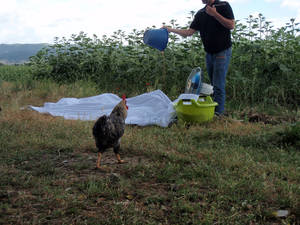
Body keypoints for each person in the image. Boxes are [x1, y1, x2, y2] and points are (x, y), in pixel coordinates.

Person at [163, 0, 235, 116]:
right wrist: (170, 30)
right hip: (209, 53)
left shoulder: (223, 5)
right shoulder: (201, 13)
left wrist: (215, 14)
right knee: (214, 84)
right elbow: (189, 32)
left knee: (218, 85)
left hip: (222, 51)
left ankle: (219, 115)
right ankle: (214, 112)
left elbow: (231, 25)